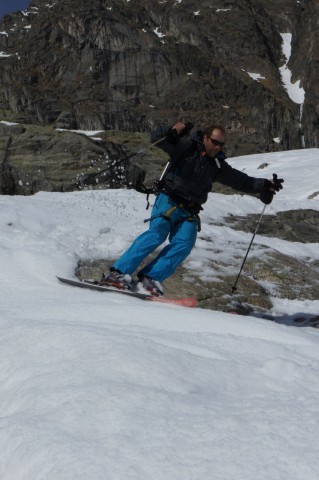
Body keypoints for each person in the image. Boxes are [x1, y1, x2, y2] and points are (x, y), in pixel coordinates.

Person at [101, 122, 283, 296]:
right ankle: (118, 273)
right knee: (156, 234)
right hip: (168, 200)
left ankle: (149, 279)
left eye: (221, 144)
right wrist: (172, 129)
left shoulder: (217, 165)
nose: (218, 147)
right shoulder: (186, 147)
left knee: (184, 245)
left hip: (189, 211)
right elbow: (156, 138)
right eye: (215, 142)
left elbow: (241, 181)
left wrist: (264, 186)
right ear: (205, 138)